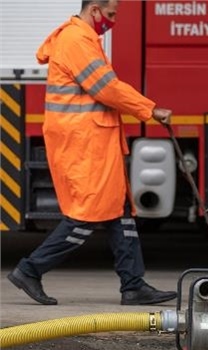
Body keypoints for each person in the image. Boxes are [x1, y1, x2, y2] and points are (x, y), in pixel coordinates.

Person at [7, 0, 176, 306]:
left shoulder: (84, 40)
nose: (112, 22)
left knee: (120, 212)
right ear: (94, 10)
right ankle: (30, 269)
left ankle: (133, 284)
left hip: (94, 144)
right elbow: (106, 89)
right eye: (110, 15)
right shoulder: (76, 40)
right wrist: (149, 109)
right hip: (85, 146)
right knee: (84, 218)